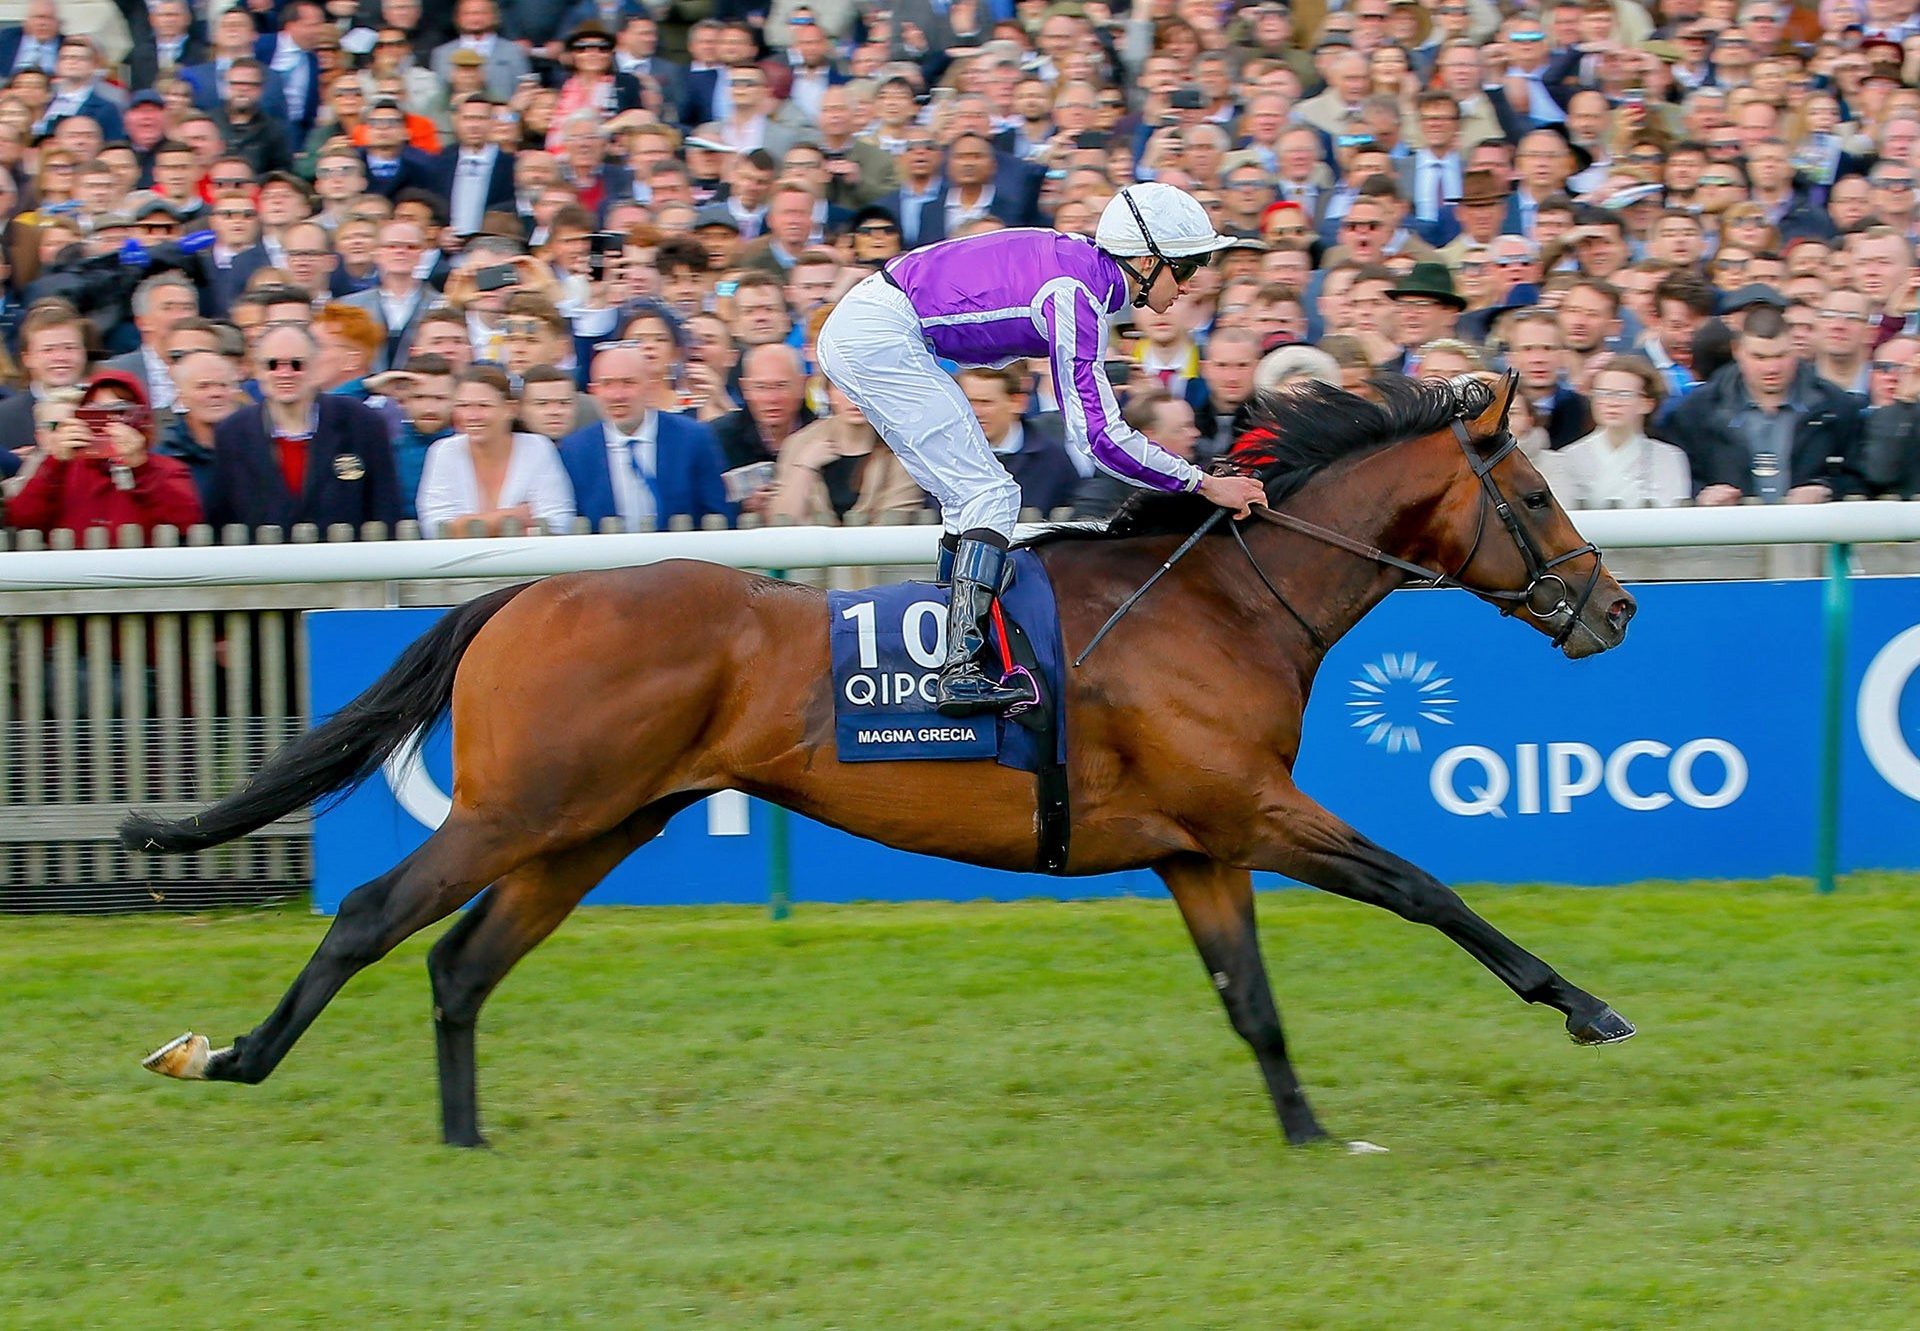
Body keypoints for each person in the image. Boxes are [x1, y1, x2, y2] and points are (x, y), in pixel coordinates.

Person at [816, 183, 1263, 716]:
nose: (1191, 284)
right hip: (880, 333)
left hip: (877, 325)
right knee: (991, 495)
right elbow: (1098, 439)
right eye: (1187, 267)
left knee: (974, 499)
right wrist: (1202, 482)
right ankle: (957, 670)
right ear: (1146, 259)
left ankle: (956, 654)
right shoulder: (1076, 296)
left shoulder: (1083, 277)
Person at [205, 322, 404, 531]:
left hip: (345, 560)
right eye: (272, 365)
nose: (285, 373)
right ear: (258, 371)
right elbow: (221, 518)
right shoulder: (233, 433)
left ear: (316, 367)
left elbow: (386, 507)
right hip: (263, 561)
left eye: (297, 364)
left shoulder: (361, 423)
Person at [1667, 306, 1864, 505]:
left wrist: (1827, 490)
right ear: (1737, 350)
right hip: (1729, 530)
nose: (1771, 368)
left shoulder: (1835, 406)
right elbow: (1675, 475)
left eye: (1780, 356)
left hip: (1810, 530)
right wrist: (1702, 493)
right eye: (1759, 357)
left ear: (1795, 350)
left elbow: (1859, 477)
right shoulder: (1698, 409)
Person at [556, 342, 732, 532]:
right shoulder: (575, 450)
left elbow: (720, 515)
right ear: (593, 391)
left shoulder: (693, 438)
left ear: (649, 386)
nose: (617, 396)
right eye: (607, 384)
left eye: (628, 383)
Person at [5, 369, 203, 537]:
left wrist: (141, 468)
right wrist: (55, 463)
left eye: (120, 410)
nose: (109, 421)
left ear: (141, 417)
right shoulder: (63, 469)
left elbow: (186, 522)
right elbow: (23, 520)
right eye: (95, 411)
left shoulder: (165, 469)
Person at [416, 366, 576, 535]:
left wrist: (466, 525)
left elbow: (557, 523)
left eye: (484, 406)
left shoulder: (538, 448)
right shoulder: (444, 451)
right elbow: (435, 528)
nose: (472, 416)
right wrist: (512, 517)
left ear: (510, 409)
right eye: (463, 406)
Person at [1538, 356, 1693, 509]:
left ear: (1647, 403)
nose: (1612, 403)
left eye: (1623, 395)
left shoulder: (1669, 457)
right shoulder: (1567, 458)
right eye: (1602, 393)